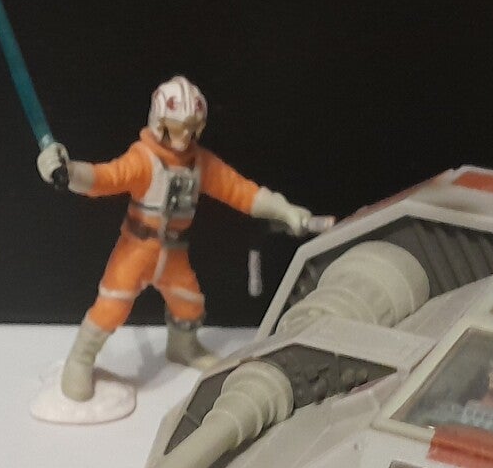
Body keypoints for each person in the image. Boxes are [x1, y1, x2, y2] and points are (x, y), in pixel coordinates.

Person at [37, 76, 322, 402]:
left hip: (174, 252)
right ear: (159, 124)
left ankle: (182, 346)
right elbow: (105, 178)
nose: (185, 136)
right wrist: (69, 171)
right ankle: (81, 359)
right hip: (136, 248)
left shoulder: (201, 163)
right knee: (112, 305)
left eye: (192, 128)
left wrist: (283, 209)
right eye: (176, 128)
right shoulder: (144, 159)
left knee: (189, 303)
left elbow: (240, 190)